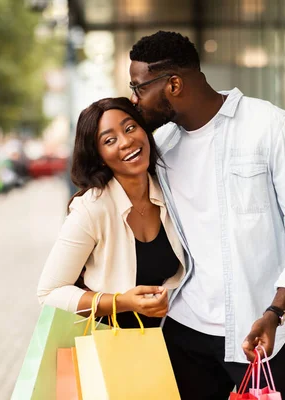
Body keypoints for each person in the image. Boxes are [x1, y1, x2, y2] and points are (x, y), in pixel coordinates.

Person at [128, 31, 285, 399]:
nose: (134, 99)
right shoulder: (160, 148)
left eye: (139, 87)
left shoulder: (271, 126)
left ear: (173, 84)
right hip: (184, 329)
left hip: (261, 331)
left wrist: (276, 311)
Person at [37, 97, 185, 328]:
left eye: (130, 128)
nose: (126, 141)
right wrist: (122, 302)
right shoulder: (92, 208)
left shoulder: (172, 192)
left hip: (173, 339)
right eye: (110, 140)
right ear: (99, 157)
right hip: (111, 345)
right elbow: (49, 294)